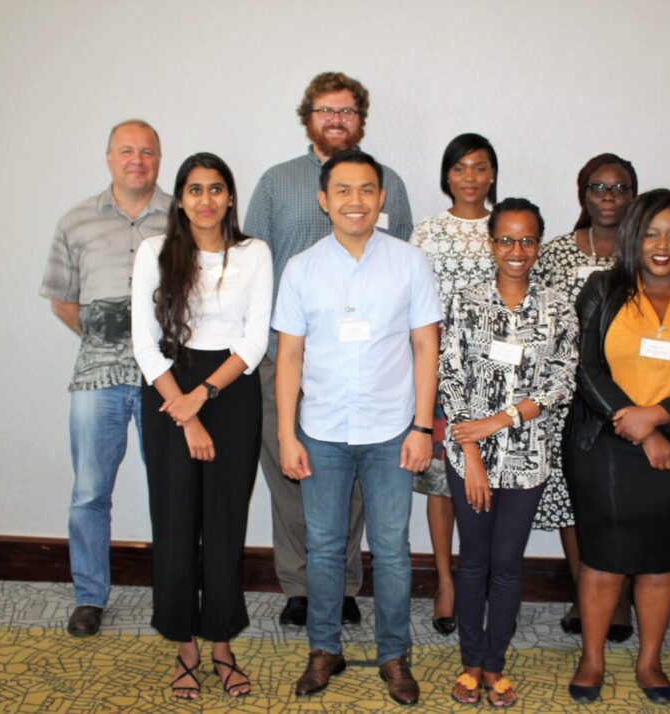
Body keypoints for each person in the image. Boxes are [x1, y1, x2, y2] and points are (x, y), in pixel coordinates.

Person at [245, 71, 414, 628]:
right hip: (287, 355)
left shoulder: (385, 181)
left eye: (347, 111)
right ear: (308, 116)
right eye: (325, 110)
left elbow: (401, 263)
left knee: (361, 481)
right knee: (294, 473)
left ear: (360, 120)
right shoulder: (276, 182)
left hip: (370, 366)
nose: (336, 119)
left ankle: (341, 585)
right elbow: (252, 267)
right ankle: (300, 585)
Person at [274, 149, 439, 706]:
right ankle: (325, 649)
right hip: (320, 430)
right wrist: (286, 434)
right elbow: (290, 356)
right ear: (323, 200)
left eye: (366, 190)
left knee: (391, 548)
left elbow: (424, 346)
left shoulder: (409, 263)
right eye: (342, 190)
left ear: (382, 197)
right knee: (323, 548)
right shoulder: (301, 268)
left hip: (393, 429)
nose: (355, 201)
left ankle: (394, 654)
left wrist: (422, 426)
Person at [565, 189, 670, 705]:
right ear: (634, 237)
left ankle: (650, 661)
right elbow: (584, 367)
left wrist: (659, 419)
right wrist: (639, 427)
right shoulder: (602, 289)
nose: (661, 244)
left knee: (662, 559)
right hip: (604, 444)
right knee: (602, 557)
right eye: (651, 232)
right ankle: (592, 658)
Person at [131, 153, 271, 699]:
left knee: (224, 524)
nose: (206, 200)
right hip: (168, 387)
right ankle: (184, 646)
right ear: (180, 199)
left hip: (230, 391)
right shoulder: (156, 252)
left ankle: (220, 644)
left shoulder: (254, 253)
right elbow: (144, 342)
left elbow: (254, 341)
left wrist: (204, 398)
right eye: (195, 190)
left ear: (230, 197)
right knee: (174, 522)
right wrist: (184, 412)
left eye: (216, 189)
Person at [439, 198, 577, 707]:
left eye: (527, 240)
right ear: (490, 242)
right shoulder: (464, 300)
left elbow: (562, 378)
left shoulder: (557, 305)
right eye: (505, 239)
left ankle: (495, 664)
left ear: (538, 244)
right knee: (473, 562)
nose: (516, 251)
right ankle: (470, 661)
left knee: (508, 565)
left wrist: (503, 419)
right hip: (467, 459)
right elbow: (449, 378)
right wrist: (472, 455)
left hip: (528, 457)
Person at [39, 119, 170, 638]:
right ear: (109, 157)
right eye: (126, 151)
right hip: (97, 378)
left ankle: (174, 594)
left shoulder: (181, 218)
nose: (137, 160)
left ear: (159, 159)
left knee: (170, 490)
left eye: (147, 151)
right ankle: (89, 596)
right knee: (90, 492)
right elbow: (62, 300)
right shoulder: (76, 221)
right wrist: (107, 341)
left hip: (165, 380)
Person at [533, 152, 638, 642]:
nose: (609, 197)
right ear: (583, 194)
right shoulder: (554, 253)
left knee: (619, 502)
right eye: (599, 187)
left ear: (632, 195)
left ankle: (619, 605)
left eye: (619, 188)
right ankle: (585, 597)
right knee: (573, 501)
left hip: (626, 398)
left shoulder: (645, 253)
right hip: (564, 397)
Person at [410, 132, 498, 637]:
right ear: (447, 175)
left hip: (497, 378)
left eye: (480, 167)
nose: (470, 178)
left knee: (489, 480)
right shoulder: (428, 231)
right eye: (460, 168)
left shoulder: (505, 227)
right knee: (443, 482)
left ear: (492, 174)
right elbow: (414, 305)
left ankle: (477, 579)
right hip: (441, 374)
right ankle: (445, 580)